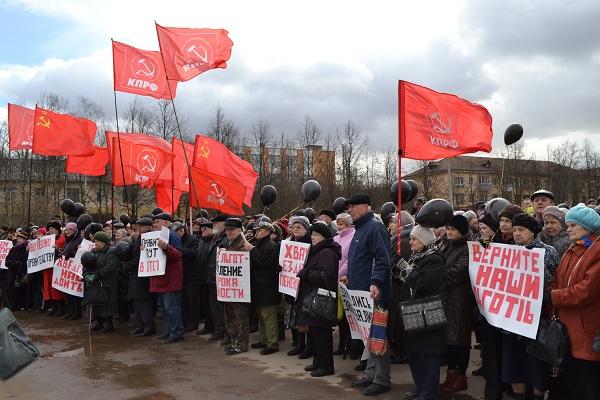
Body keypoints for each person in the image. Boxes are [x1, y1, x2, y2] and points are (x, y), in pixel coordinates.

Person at [503, 213, 559, 400]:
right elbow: (484, 248)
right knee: (515, 363)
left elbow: (552, 281)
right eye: (515, 229)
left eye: (521, 230)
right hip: (512, 319)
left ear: (533, 232)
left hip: (536, 319)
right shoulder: (506, 250)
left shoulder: (548, 251)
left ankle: (537, 396)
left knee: (536, 363)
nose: (517, 233)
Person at [547, 204, 600, 400]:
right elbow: (558, 279)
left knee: (589, 385)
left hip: (586, 330)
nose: (567, 229)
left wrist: (553, 297)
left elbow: (585, 291)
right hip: (568, 330)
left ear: (587, 228)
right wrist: (549, 291)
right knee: (573, 384)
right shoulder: (574, 248)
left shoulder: (596, 251)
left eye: (573, 225)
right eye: (568, 224)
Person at [346, 193, 392, 396]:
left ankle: (382, 379)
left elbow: (382, 259)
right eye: (348, 207)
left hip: (375, 294)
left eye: (353, 206)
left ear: (365, 206)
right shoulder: (360, 228)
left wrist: (375, 282)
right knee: (368, 335)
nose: (349, 210)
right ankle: (371, 373)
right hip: (361, 294)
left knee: (378, 336)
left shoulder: (375, 227)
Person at [403, 225, 446, 400]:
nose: (410, 242)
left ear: (425, 241)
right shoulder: (416, 257)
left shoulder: (434, 259)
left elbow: (423, 284)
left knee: (430, 355)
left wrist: (407, 272)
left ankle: (429, 392)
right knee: (414, 352)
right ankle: (420, 387)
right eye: (411, 238)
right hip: (415, 310)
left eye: (414, 239)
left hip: (430, 310)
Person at [295, 221, 341, 377]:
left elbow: (325, 276)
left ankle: (326, 366)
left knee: (322, 333)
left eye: (316, 235)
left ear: (324, 237)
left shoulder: (327, 253)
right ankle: (318, 362)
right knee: (315, 332)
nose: (313, 237)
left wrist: (306, 273)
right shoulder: (317, 251)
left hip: (321, 298)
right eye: (312, 234)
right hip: (313, 297)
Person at [438, 215, 473, 394]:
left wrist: (436, 274)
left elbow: (457, 273)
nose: (449, 232)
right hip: (447, 299)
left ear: (462, 230)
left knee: (459, 340)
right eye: (448, 228)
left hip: (460, 301)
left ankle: (460, 376)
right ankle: (451, 375)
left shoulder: (467, 249)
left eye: (453, 229)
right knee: (450, 341)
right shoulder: (447, 245)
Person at [246, 221, 281, 355]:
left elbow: (264, 263)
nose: (256, 232)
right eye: (256, 230)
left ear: (267, 231)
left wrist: (252, 250)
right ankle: (263, 339)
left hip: (268, 286)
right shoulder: (259, 244)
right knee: (260, 315)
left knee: (268, 316)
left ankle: (272, 343)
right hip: (259, 285)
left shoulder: (271, 246)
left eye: (259, 230)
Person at [151, 213, 184, 344]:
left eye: (157, 222)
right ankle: (169, 331)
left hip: (170, 278)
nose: (154, 224)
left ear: (166, 223)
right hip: (161, 278)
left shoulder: (172, 235)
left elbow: (178, 254)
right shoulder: (156, 236)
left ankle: (176, 332)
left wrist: (166, 247)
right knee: (165, 309)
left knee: (172, 308)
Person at [122, 217, 157, 337]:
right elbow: (133, 254)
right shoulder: (139, 238)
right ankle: (140, 324)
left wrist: (127, 266)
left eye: (142, 225)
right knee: (137, 301)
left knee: (144, 301)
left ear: (149, 227)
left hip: (144, 275)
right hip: (136, 274)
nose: (139, 228)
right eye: (139, 225)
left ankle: (148, 325)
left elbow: (141, 258)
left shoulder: (150, 238)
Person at [221, 218, 250, 355]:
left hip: (240, 288)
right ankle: (234, 342)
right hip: (230, 287)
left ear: (239, 230)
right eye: (227, 229)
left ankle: (241, 344)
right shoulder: (230, 243)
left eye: (231, 229)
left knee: (240, 318)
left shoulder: (244, 244)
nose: (229, 232)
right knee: (230, 317)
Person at [286, 215, 313, 359]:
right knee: (295, 315)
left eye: (299, 227)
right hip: (292, 284)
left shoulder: (309, 243)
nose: (295, 230)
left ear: (305, 229)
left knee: (305, 316)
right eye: (294, 227)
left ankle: (308, 347)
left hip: (305, 284)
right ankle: (299, 344)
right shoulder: (289, 242)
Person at [84, 231, 120, 333]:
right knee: (96, 301)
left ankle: (108, 323)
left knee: (107, 303)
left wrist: (97, 274)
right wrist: (87, 274)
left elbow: (110, 267)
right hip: (97, 282)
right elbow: (87, 264)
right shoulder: (94, 252)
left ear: (104, 242)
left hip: (108, 282)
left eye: (98, 242)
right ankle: (99, 322)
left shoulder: (111, 252)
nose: (96, 244)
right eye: (95, 242)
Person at [332, 212, 355, 356]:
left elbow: (349, 259)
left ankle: (351, 346)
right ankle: (341, 344)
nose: (339, 226)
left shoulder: (353, 236)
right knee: (339, 315)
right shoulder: (335, 238)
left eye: (342, 224)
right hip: (334, 280)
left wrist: (339, 273)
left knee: (349, 316)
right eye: (338, 223)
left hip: (345, 280)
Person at [173, 222, 200, 333]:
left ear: (182, 230)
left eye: (176, 233)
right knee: (183, 300)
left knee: (191, 300)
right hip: (180, 274)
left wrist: (179, 249)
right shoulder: (176, 240)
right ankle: (185, 321)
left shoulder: (192, 240)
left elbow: (193, 254)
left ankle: (193, 322)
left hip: (191, 275)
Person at [207, 214, 229, 342]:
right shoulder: (216, 237)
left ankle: (225, 332)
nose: (214, 225)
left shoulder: (225, 239)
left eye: (216, 223)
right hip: (212, 277)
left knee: (222, 308)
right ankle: (219, 330)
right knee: (215, 307)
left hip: (220, 278)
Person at [196, 218, 215, 336]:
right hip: (202, 276)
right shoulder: (201, 241)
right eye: (201, 228)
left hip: (211, 277)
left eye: (205, 228)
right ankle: (208, 325)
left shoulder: (213, 241)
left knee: (213, 305)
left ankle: (214, 327)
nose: (202, 230)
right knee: (205, 304)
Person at [60, 222, 83, 320]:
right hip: (67, 268)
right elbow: (65, 250)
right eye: (66, 230)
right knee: (67, 292)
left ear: (74, 230)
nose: (67, 231)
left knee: (74, 293)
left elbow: (81, 252)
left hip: (75, 268)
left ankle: (77, 313)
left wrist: (72, 253)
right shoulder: (67, 240)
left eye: (70, 230)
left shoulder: (79, 240)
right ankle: (70, 311)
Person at [43, 221, 66, 317]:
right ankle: (54, 307)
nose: (51, 231)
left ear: (57, 230)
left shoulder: (62, 239)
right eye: (50, 229)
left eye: (53, 229)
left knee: (57, 288)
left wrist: (57, 249)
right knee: (49, 287)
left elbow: (64, 250)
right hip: (47, 266)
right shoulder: (46, 239)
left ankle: (61, 308)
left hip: (57, 267)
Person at [5, 229, 30, 310]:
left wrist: (18, 264)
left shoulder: (26, 249)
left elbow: (25, 261)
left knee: (20, 290)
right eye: (18, 238)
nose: (18, 240)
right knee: (11, 290)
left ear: (25, 240)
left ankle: (20, 305)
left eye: (21, 238)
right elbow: (7, 260)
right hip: (11, 272)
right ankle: (12, 305)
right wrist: (11, 263)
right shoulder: (13, 248)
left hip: (20, 273)